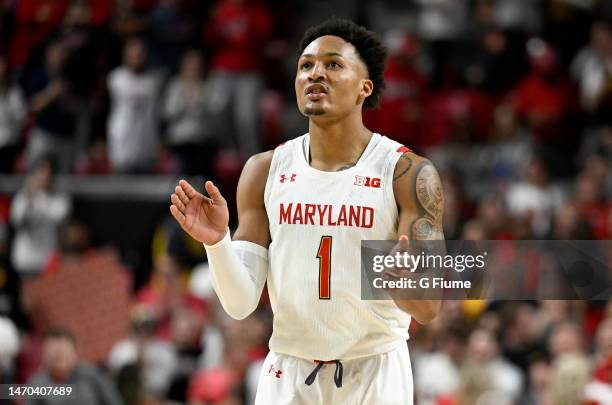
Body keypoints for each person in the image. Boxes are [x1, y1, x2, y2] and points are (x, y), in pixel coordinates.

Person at [170, 18, 443, 404]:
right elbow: (240, 304)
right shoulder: (264, 170)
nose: (316, 73)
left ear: (365, 87)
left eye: (334, 64)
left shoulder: (406, 172)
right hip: (289, 371)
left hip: (375, 373)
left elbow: (429, 307)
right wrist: (218, 244)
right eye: (306, 65)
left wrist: (402, 281)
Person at [27, 328, 123, 405]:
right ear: (44, 355)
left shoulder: (92, 375)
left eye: (63, 352)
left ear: (75, 353)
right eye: (53, 353)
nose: (58, 356)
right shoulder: (37, 384)